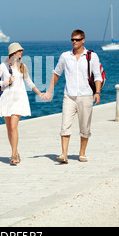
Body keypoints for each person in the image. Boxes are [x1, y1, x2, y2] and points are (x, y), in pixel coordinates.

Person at [41, 30, 102, 163]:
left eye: (77, 39)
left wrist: (97, 92)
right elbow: (56, 73)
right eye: (72, 39)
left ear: (83, 40)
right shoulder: (65, 56)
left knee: (85, 127)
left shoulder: (92, 56)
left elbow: (97, 76)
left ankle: (82, 153)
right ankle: (64, 154)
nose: (74, 41)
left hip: (86, 96)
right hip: (69, 96)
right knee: (65, 125)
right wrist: (49, 91)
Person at [0, 43, 45, 165]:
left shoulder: (23, 66)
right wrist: (7, 81)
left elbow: (29, 82)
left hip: (19, 99)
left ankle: (14, 153)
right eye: (19, 51)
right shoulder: (3, 66)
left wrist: (39, 93)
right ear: (13, 53)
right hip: (7, 99)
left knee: (13, 127)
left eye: (21, 51)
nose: (21, 53)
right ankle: (15, 152)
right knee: (9, 129)